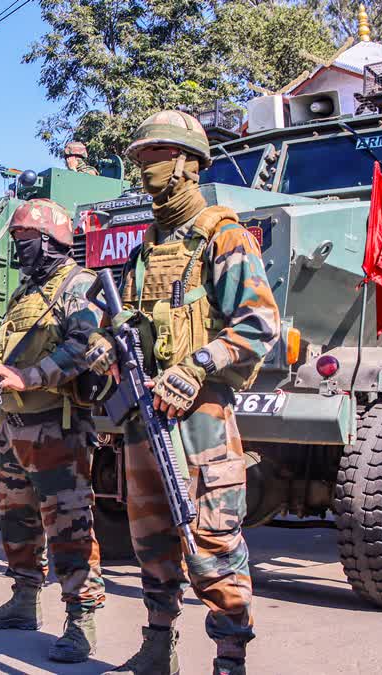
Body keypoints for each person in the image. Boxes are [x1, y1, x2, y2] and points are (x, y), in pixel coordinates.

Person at [101, 111, 280, 675]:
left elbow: (259, 324)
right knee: (150, 537)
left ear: (186, 164)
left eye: (155, 157)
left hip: (199, 416)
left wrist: (200, 363)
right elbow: (127, 318)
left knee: (213, 541)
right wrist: (108, 347)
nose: (144, 168)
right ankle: (158, 647)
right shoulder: (148, 246)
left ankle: (230, 660)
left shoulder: (222, 234)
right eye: (142, 158)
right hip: (144, 415)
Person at [0, 198, 107, 663]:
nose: (18, 247)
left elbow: (84, 346)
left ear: (50, 242)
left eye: (24, 239)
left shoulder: (79, 286)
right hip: (16, 427)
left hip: (56, 428)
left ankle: (80, 622)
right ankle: (24, 602)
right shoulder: (25, 292)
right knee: (17, 520)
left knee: (69, 526)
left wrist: (29, 376)